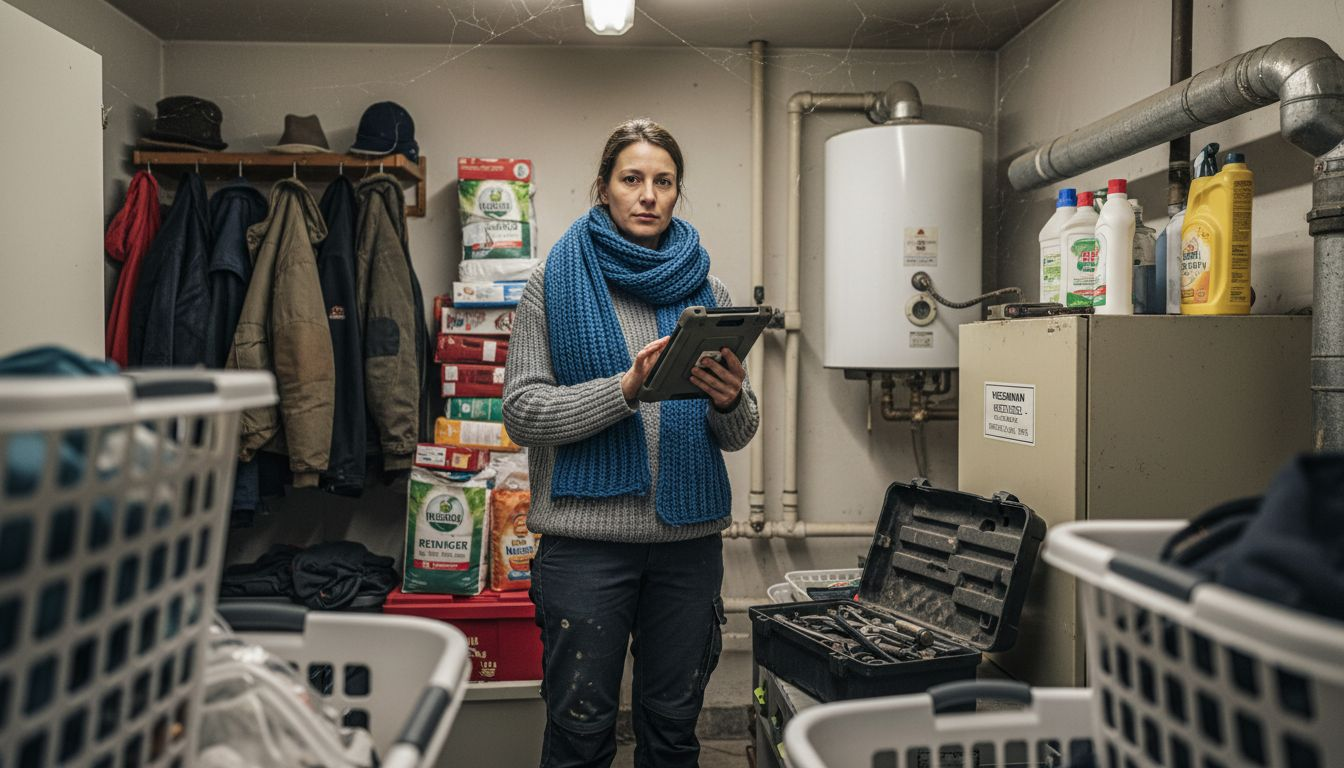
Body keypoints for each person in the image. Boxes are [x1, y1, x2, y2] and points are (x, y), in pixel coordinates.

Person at [502, 118, 760, 768]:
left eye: (663, 181)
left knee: (672, 733)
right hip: (584, 551)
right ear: (605, 188)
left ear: (677, 192)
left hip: (686, 550)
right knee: (579, 730)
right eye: (632, 179)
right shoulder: (550, 283)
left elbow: (738, 432)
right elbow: (523, 413)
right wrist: (625, 388)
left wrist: (730, 399)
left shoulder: (711, 294)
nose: (648, 194)